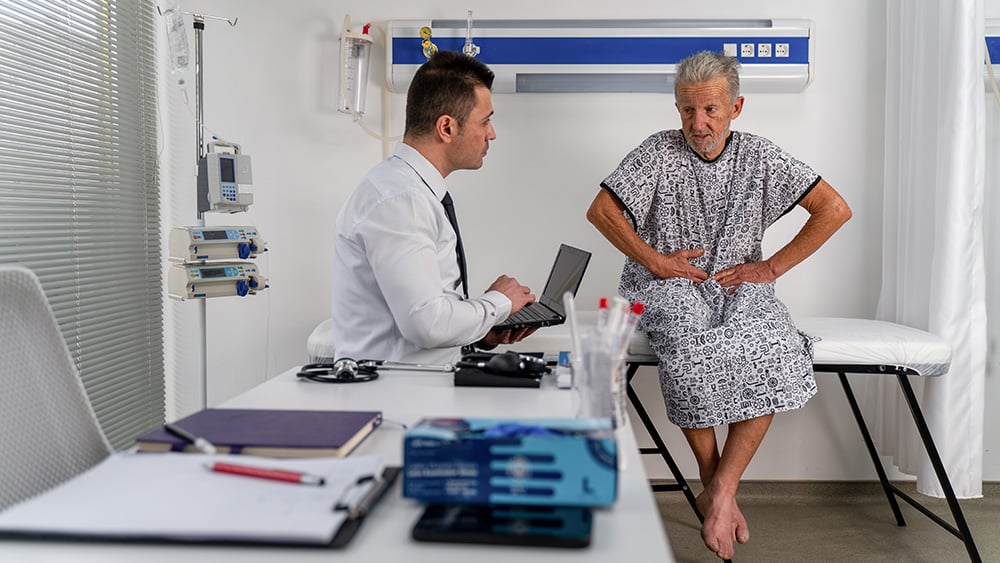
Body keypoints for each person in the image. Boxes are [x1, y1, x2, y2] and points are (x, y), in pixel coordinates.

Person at [586, 51, 851, 560]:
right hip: (667, 285)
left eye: (709, 110)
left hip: (737, 282)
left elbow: (833, 209)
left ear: (736, 107)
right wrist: (657, 262)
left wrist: (769, 268)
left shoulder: (760, 157)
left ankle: (720, 489)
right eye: (686, 110)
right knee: (689, 348)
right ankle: (713, 481)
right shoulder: (656, 153)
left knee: (774, 347)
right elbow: (602, 211)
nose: (696, 123)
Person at [331, 51, 535, 366]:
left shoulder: (410, 192)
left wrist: (480, 330)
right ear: (447, 128)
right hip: (395, 398)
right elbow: (426, 324)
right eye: (485, 120)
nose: (491, 133)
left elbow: (427, 312)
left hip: (417, 386)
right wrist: (498, 303)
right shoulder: (400, 200)